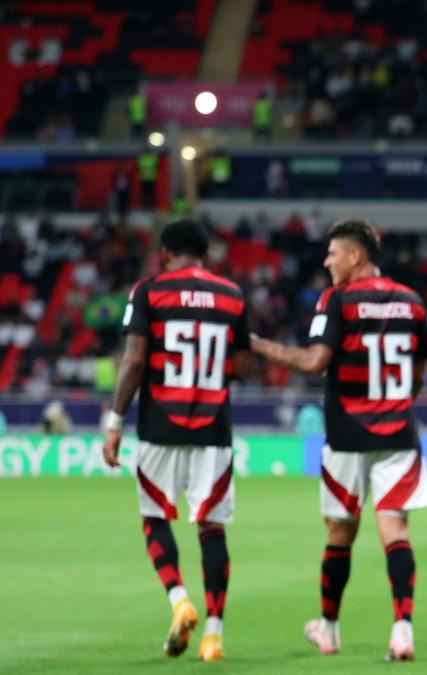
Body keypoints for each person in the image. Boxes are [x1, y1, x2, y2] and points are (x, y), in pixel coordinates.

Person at [251, 220, 427, 661]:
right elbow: (420, 372)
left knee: (339, 533)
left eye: (333, 253)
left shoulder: (337, 299)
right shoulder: (411, 302)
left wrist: (258, 344)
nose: (327, 260)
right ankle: (403, 631)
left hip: (347, 437)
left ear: (355, 256)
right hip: (398, 435)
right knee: (396, 531)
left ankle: (329, 629)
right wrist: (395, 406)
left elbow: (315, 362)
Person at [101, 220, 251, 661]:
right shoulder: (233, 295)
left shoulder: (148, 292)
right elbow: (241, 367)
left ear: (165, 253)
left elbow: (133, 362)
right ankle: (214, 635)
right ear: (205, 254)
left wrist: (114, 423)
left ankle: (179, 600)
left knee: (154, 519)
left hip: (160, 429)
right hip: (213, 432)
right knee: (212, 529)